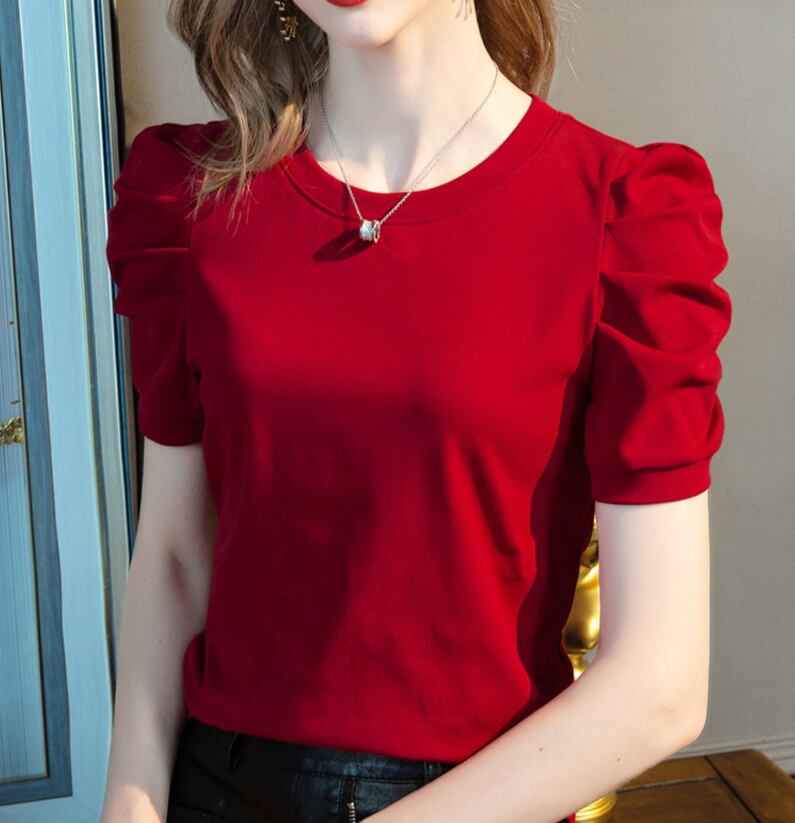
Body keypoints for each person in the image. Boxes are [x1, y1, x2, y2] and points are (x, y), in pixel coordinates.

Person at [100, 0, 733, 821]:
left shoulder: (622, 215)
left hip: (485, 795)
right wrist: (128, 801)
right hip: (217, 783)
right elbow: (176, 556)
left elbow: (660, 683)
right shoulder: (191, 200)